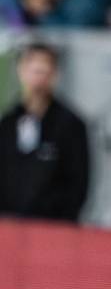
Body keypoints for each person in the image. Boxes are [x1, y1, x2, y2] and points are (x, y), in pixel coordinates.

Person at [1, 42, 90, 221]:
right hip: (9, 227)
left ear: (54, 74)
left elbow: (77, 183)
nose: (39, 77)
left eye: (45, 70)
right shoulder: (7, 124)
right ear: (21, 72)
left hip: (53, 228)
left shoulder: (70, 126)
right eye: (34, 69)